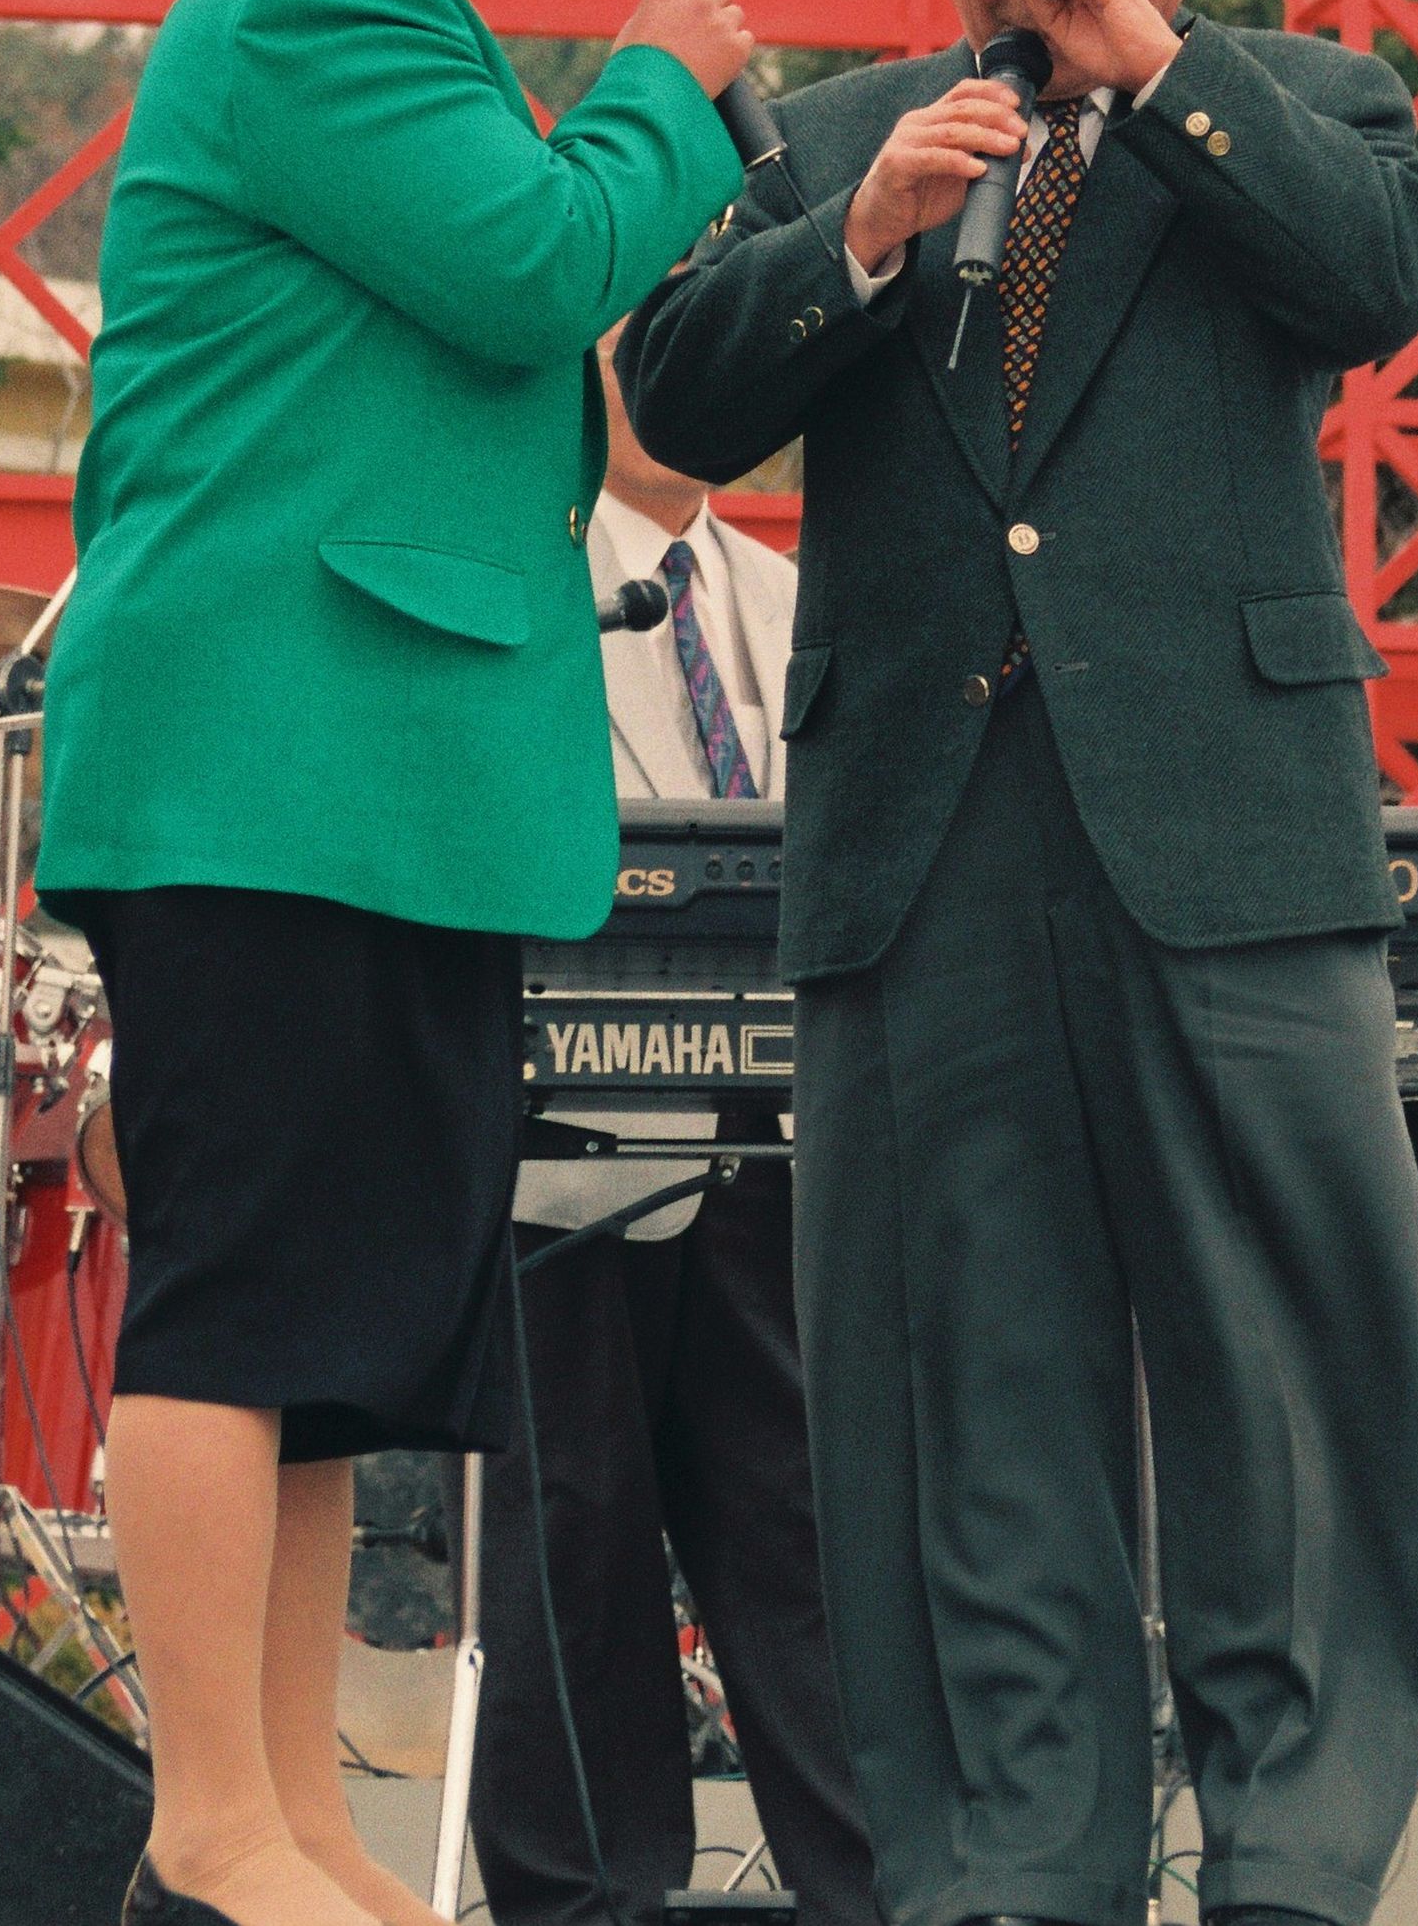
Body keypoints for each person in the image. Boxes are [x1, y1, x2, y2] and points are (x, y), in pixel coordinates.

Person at [620, 0, 1418, 1926]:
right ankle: (1016, 1866)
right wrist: (857, 237)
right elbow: (677, 397)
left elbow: (1384, 278)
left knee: (1285, 1372)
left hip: (1231, 832)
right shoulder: (837, 133)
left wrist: (1158, 78)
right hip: (921, 844)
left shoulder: (1300, 99)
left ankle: (1291, 1865)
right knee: (961, 1386)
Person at [37, 0, 756, 1926]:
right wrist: (664, 76)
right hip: (274, 766)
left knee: (334, 1344)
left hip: (370, 779)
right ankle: (207, 1816)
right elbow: (537, 261)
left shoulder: (381, 14)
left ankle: (301, 1813)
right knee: (242, 1296)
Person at [465, 341, 876, 1926]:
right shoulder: (518, 580)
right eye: (650, 336)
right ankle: (590, 1899)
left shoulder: (797, 595)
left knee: (814, 1542)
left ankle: (882, 1886)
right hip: (564, 1145)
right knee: (571, 1547)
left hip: (788, 1148)